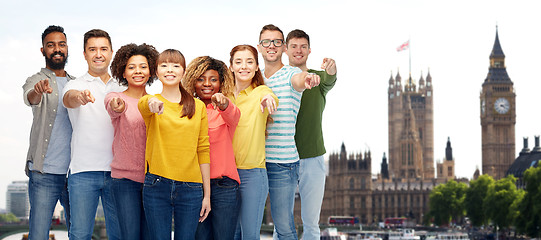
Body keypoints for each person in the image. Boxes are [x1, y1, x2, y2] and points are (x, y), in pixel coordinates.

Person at [138, 49, 211, 240]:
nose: (170, 70)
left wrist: (207, 196)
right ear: (156, 71)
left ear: (184, 72)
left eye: (175, 65)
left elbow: (203, 150)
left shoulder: (198, 107)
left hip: (191, 188)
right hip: (156, 184)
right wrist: (153, 102)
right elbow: (144, 104)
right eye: (164, 65)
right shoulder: (151, 103)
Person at [257, 24, 320, 240]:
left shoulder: (293, 73)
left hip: (282, 162)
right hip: (252, 161)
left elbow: (299, 81)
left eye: (276, 41)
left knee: (283, 225)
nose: (271, 46)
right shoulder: (254, 77)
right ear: (260, 47)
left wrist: (308, 79)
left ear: (283, 47)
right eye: (267, 41)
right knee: (246, 223)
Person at [62, 29, 123, 240]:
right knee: (79, 235)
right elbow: (69, 98)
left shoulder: (122, 86)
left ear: (111, 52)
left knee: (120, 235)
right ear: (85, 54)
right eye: (92, 49)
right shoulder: (75, 85)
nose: (98, 54)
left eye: (103, 49)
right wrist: (79, 97)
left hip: (118, 174)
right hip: (83, 172)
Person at [22, 25, 73, 240]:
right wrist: (38, 91)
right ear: (43, 50)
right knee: (38, 235)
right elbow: (30, 97)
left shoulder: (76, 83)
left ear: (67, 48)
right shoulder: (36, 80)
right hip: (44, 173)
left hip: (75, 175)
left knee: (79, 233)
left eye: (61, 44)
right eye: (51, 45)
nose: (57, 49)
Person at [286, 29, 337, 240]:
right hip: (282, 158)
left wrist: (332, 69)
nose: (299, 50)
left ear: (309, 50)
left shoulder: (318, 79)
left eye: (303, 46)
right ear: (285, 50)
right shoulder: (276, 80)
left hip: (313, 157)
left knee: (311, 224)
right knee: (283, 222)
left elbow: (330, 79)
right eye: (294, 46)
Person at [183, 56, 241, 240]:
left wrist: (223, 102)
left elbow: (233, 114)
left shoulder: (226, 109)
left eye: (213, 79)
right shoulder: (186, 110)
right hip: (195, 187)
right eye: (201, 79)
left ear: (221, 82)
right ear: (193, 81)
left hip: (224, 186)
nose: (207, 84)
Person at [105, 43, 159, 240]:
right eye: (132, 67)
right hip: (125, 181)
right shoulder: (116, 97)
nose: (138, 71)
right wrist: (117, 106)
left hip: (154, 181)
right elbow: (113, 107)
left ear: (151, 70)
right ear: (123, 72)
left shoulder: (157, 101)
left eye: (143, 66)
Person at [229, 45, 278, 240]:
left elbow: (271, 97)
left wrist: (268, 99)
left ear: (257, 66)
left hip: (253, 174)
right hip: (226, 175)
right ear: (231, 66)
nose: (244, 66)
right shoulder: (224, 96)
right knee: (230, 235)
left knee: (249, 235)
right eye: (238, 62)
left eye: (249, 62)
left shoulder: (261, 92)